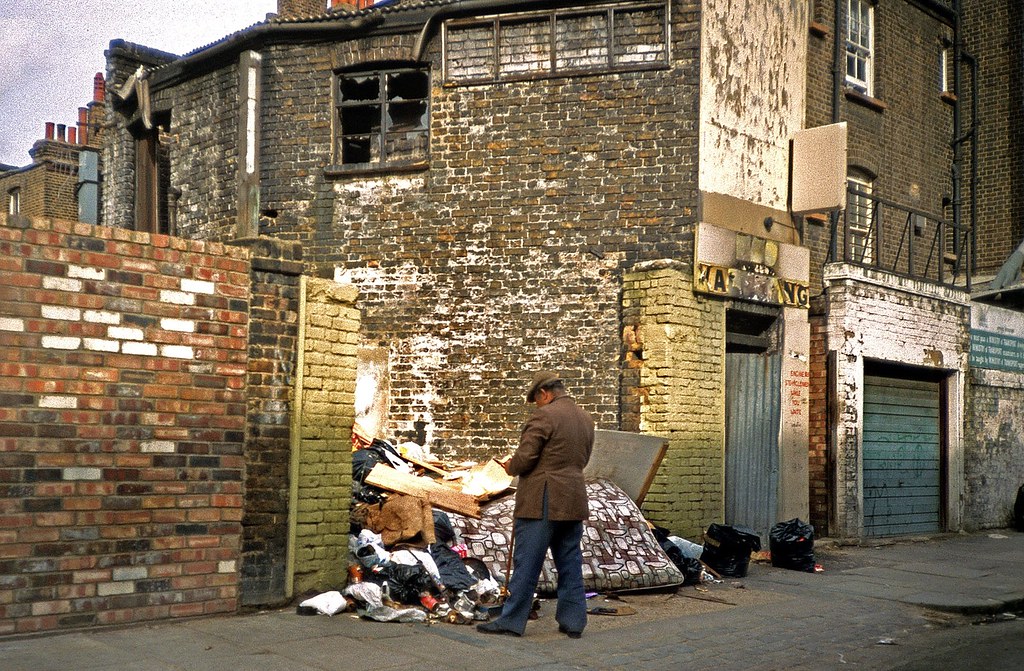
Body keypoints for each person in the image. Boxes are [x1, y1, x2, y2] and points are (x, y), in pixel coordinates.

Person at [476, 370, 595, 639]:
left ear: (544, 393)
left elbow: (526, 458)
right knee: (570, 561)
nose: (537, 405)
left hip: (543, 498)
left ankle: (512, 620)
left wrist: (510, 466)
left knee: (527, 562)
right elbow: (583, 459)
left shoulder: (545, 416)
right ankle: (574, 621)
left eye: (537, 399)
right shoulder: (585, 418)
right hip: (573, 497)